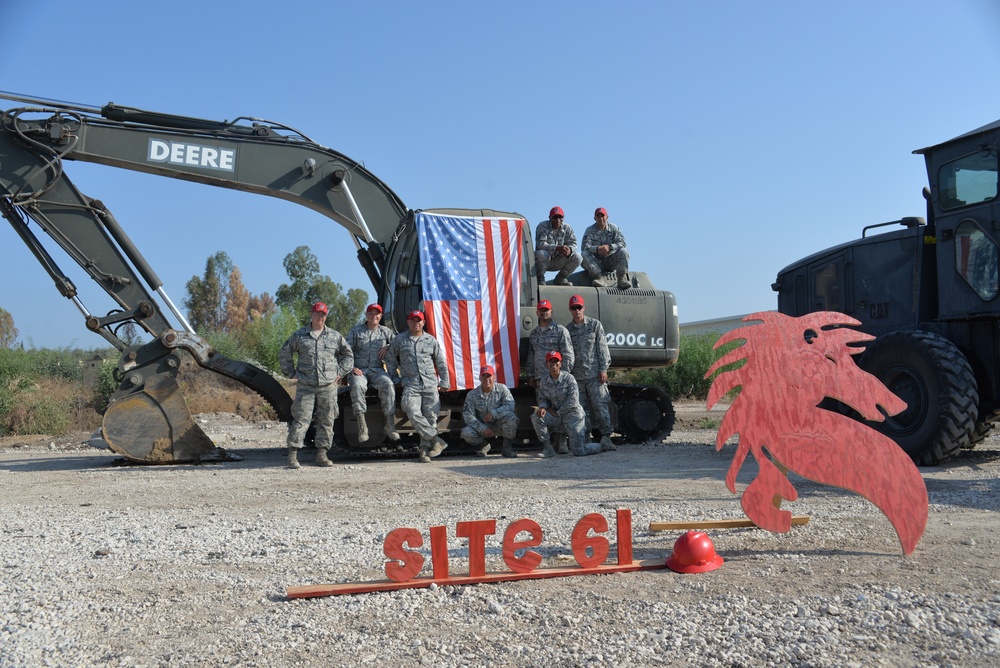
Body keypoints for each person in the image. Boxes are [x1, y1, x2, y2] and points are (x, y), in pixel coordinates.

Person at [279, 301, 353, 469]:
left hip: (328, 386)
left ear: (326, 316)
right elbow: (285, 352)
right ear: (311, 314)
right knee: (301, 420)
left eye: (323, 314)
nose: (320, 317)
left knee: (326, 420)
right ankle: (293, 454)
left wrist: (340, 372)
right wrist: (290, 372)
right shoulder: (300, 335)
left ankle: (322, 454)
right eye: (317, 314)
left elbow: (348, 355)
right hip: (306, 385)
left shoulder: (334, 336)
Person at [387, 310, 451, 463]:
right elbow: (390, 358)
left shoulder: (431, 340)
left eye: (419, 320)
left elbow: (441, 362)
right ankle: (436, 440)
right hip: (411, 385)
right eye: (413, 320)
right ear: (408, 322)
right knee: (412, 410)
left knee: (431, 418)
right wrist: (395, 379)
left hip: (430, 384)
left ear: (423, 322)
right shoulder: (400, 340)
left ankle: (424, 451)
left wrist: (445, 382)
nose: (416, 323)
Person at [531, 351, 608, 457]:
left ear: (560, 363)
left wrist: (558, 412)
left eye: (556, 361)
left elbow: (573, 401)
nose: (553, 363)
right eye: (551, 361)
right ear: (546, 364)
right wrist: (543, 407)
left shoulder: (569, 379)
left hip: (573, 417)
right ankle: (548, 448)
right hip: (557, 417)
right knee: (536, 417)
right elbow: (543, 398)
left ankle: (602, 446)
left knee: (578, 451)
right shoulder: (544, 381)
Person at [566, 294, 615, 451]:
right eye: (574, 308)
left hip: (595, 375)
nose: (577, 310)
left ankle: (606, 438)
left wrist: (603, 369)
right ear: (570, 310)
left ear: (583, 308)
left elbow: (602, 348)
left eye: (579, 307)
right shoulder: (567, 330)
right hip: (577, 377)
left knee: (600, 407)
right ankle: (586, 437)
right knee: (581, 410)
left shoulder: (594, 325)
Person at [346, 303, 399, 443]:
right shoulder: (356, 332)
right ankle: (362, 426)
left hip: (377, 370)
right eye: (371, 313)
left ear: (380, 316)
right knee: (357, 385)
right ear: (366, 314)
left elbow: (398, 343)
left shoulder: (385, 332)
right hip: (359, 370)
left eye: (377, 314)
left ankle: (390, 425)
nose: (374, 316)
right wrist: (350, 368)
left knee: (388, 384)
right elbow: (345, 352)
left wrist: (388, 346)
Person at [460, 365, 519, 458]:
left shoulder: (502, 389)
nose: (486, 379)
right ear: (480, 378)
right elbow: (468, 416)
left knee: (511, 417)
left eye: (489, 376)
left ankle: (507, 448)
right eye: (484, 376)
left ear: (494, 377)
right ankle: (483, 446)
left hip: (499, 424)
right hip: (482, 426)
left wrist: (493, 413)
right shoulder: (472, 395)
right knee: (466, 433)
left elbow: (510, 406)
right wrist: (482, 428)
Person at [525, 299, 574, 387]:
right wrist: (530, 375)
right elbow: (531, 356)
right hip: (540, 381)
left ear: (551, 311)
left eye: (546, 310)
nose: (544, 312)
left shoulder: (560, 331)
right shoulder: (534, 333)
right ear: (537, 313)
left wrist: (562, 376)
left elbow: (568, 355)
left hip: (556, 380)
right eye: (541, 310)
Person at [582, 207, 631, 289]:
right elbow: (585, 247)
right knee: (583, 255)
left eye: (603, 216)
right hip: (596, 263)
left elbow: (622, 243)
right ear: (595, 218)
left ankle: (621, 279)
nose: (601, 218)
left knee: (624, 251)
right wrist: (597, 248)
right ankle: (599, 278)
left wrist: (610, 247)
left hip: (611, 261)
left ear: (607, 217)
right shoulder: (590, 230)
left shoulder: (614, 228)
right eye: (598, 216)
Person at [535, 206, 582, 286]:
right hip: (546, 261)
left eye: (560, 217)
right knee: (541, 253)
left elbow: (573, 242)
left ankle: (560, 278)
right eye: (555, 217)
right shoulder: (542, 226)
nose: (558, 220)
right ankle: (540, 278)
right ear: (550, 217)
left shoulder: (567, 228)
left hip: (560, 259)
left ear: (563, 217)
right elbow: (540, 244)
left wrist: (569, 250)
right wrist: (556, 248)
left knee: (578, 257)